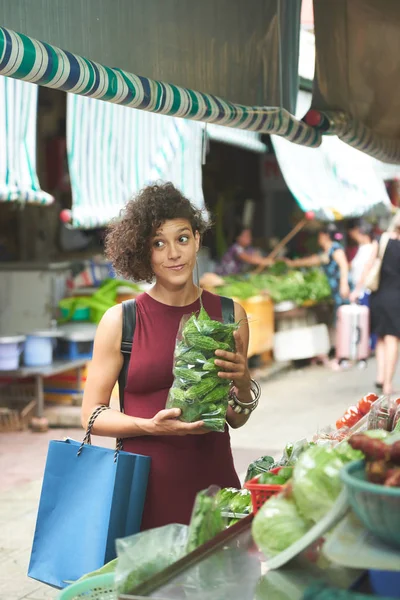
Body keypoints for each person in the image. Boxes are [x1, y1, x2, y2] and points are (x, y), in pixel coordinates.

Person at [81, 183, 258, 530]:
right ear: (143, 252)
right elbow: (91, 415)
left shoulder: (228, 314)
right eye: (158, 243)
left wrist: (244, 382)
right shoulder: (122, 321)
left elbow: (234, 418)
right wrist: (148, 426)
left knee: (221, 581)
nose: (173, 254)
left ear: (197, 239)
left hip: (214, 488)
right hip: (144, 493)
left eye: (182, 239)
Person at [351, 211, 400, 394]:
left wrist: (357, 289)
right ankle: (387, 384)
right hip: (396, 297)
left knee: (380, 337)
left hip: (378, 295)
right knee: (393, 339)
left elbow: (369, 265)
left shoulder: (382, 240)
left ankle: (380, 377)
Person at [285, 223, 350, 314]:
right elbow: (313, 260)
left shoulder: (336, 249)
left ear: (325, 236)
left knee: (345, 318)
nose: (318, 238)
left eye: (319, 235)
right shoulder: (326, 252)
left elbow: (343, 265)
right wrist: (292, 263)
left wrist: (344, 284)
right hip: (336, 291)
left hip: (343, 292)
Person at [348, 222, 377, 303]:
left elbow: (366, 269)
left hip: (364, 292)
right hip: (359, 291)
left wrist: (357, 289)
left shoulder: (370, 249)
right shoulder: (362, 248)